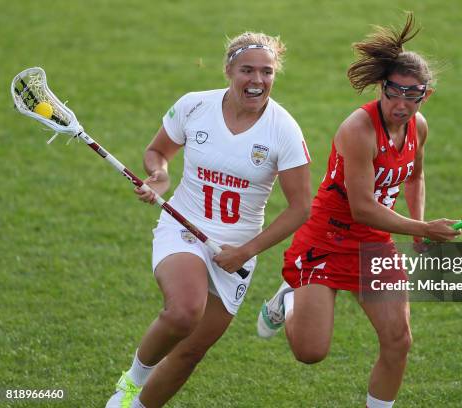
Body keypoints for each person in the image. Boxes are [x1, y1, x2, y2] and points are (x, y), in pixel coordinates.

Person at [256, 14, 461, 408]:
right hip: (327, 239)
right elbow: (363, 207)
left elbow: (415, 177)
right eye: (394, 92)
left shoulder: (418, 126)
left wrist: (418, 228)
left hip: (374, 243)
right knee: (310, 352)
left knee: (398, 340)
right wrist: (421, 226)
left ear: (425, 95)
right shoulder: (359, 130)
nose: (401, 104)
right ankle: (290, 298)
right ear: (382, 88)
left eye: (412, 95)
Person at [106, 32, 311, 408]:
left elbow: (300, 207)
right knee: (184, 311)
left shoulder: (284, 130)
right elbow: (157, 152)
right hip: (183, 227)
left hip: (236, 252)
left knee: (189, 353)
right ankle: (132, 382)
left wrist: (245, 251)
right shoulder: (194, 106)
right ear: (229, 70)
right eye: (247, 70)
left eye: (266, 72)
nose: (257, 81)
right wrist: (161, 174)